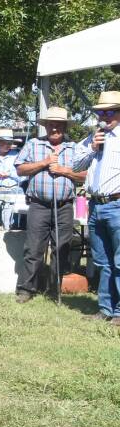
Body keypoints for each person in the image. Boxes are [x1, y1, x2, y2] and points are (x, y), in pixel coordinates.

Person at [14, 107, 85, 303]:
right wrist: (44, 163)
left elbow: (85, 175)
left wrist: (64, 171)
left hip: (64, 206)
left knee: (62, 248)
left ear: (64, 126)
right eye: (51, 125)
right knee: (34, 248)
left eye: (59, 125)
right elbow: (20, 169)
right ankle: (26, 289)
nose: (55, 129)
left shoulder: (75, 147)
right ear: (45, 126)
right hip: (39, 205)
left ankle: (54, 290)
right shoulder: (33, 145)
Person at [72, 91, 120, 325]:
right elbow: (74, 165)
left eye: (110, 111)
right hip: (96, 205)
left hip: (117, 204)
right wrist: (92, 146)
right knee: (102, 261)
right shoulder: (91, 138)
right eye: (101, 112)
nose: (105, 116)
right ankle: (105, 309)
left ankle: (119, 313)